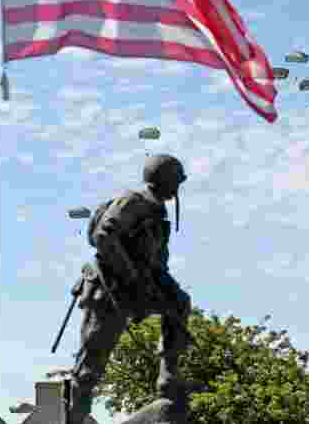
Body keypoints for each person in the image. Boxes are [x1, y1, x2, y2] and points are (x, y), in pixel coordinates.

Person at [65, 154, 193, 424]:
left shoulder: (159, 213)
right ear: (162, 180)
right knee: (92, 363)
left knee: (179, 303)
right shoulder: (133, 201)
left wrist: (165, 290)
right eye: (174, 181)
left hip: (140, 284)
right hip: (109, 288)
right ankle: (75, 416)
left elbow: (157, 261)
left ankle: (167, 377)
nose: (177, 187)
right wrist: (132, 276)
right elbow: (104, 236)